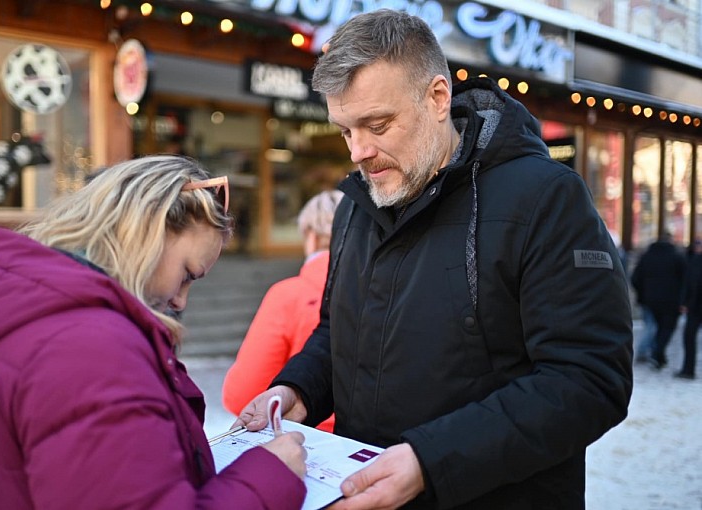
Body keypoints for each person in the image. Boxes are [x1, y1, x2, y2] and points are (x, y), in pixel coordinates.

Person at [234, 10, 633, 510]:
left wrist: (431, 460)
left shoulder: (546, 198)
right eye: (345, 131)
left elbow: (589, 380)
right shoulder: (356, 208)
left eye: (377, 125)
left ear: (437, 98)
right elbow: (340, 332)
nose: (358, 151)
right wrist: (299, 389)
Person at [0, 155, 308, 509]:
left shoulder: (7, 312)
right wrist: (271, 475)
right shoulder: (89, 348)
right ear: (143, 235)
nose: (181, 302)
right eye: (186, 275)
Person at [222, 190, 344, 433]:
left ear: (310, 236)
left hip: (302, 439)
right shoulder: (381, 294)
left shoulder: (288, 295)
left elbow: (242, 395)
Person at [630, 231, 686, 370]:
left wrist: (643, 293)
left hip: (649, 300)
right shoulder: (676, 257)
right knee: (665, 329)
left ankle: (653, 354)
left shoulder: (647, 257)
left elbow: (635, 278)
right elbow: (685, 280)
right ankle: (655, 354)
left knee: (651, 326)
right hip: (670, 301)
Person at [677, 237, 702, 379]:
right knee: (689, 337)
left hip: (695, 306)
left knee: (689, 337)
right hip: (694, 306)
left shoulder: (695, 261)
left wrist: (686, 302)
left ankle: (688, 369)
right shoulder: (694, 261)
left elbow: (692, 283)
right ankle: (688, 369)